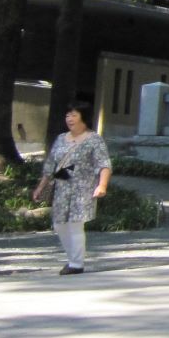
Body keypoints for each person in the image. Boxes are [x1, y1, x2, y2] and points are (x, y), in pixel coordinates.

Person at [32, 103, 110, 275]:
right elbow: (50, 165)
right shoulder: (61, 138)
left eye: (74, 115)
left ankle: (76, 263)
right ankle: (72, 259)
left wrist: (102, 185)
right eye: (67, 115)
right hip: (61, 188)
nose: (69, 119)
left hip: (82, 188)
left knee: (75, 224)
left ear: (83, 117)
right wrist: (40, 187)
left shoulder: (94, 139)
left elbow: (103, 164)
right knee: (59, 224)